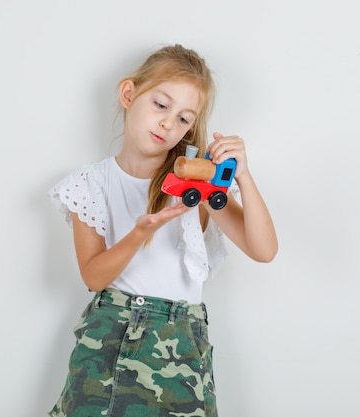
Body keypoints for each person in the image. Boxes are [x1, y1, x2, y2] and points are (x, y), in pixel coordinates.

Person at [46, 44, 278, 417]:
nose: (169, 123)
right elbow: (93, 275)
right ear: (129, 94)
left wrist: (245, 177)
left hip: (181, 343)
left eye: (184, 118)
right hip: (111, 336)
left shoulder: (198, 178)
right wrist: (139, 234)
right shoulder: (91, 183)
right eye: (160, 105)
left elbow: (264, 250)